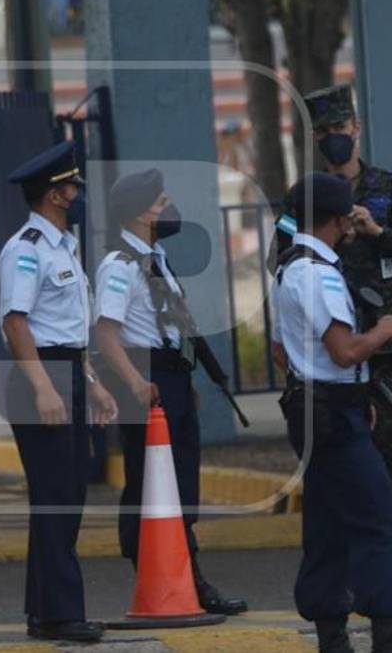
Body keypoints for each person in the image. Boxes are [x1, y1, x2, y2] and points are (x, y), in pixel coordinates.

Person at [274, 83, 392, 608]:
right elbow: (285, 259)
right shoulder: (304, 197)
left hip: (385, 354)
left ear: (356, 129)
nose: (333, 139)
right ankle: (346, 580)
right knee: (340, 482)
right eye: (323, 132)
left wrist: (377, 233)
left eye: (339, 130)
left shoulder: (390, 188)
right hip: (331, 356)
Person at [92, 169, 248, 616]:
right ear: (141, 213)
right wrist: (136, 382)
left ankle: (186, 576)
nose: (168, 209)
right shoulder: (119, 266)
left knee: (181, 480)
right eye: (162, 202)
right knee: (151, 483)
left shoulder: (156, 257)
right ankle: (172, 578)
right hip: (144, 381)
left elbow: (172, 326)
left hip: (171, 381)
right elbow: (106, 334)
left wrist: (185, 382)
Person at [271, 172, 392, 653]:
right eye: (346, 216)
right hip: (332, 415)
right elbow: (346, 351)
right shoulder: (319, 274)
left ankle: (332, 638)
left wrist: (352, 393)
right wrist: (386, 330)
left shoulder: (289, 266)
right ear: (336, 220)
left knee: (328, 527)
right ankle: (388, 640)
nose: (351, 224)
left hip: (317, 409)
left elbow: (280, 352)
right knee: (382, 524)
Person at [0, 141, 118, 642]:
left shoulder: (63, 246)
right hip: (40, 377)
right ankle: (62, 614)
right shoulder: (26, 248)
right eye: (71, 186)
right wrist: (45, 389)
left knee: (65, 494)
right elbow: (15, 322)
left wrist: (91, 383)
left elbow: (68, 329)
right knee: (56, 498)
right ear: (54, 195)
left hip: (66, 371)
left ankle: (45, 609)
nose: (77, 193)